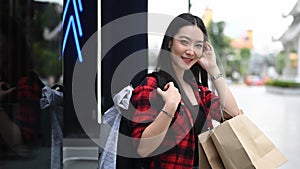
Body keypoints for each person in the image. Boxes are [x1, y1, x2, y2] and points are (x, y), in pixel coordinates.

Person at [129, 13, 241, 169]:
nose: (190, 51)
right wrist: (170, 107)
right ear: (169, 43)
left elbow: (232, 113)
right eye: (184, 42)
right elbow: (142, 149)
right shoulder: (152, 85)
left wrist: (213, 68)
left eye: (198, 45)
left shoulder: (198, 90)